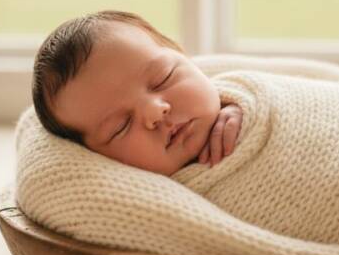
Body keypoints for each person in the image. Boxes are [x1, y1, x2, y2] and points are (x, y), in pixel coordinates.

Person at [32, 10, 243, 176]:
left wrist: (244, 106)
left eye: (163, 78)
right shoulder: (138, 200)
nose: (155, 112)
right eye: (121, 126)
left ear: (181, 53)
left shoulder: (241, 92)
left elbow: (270, 88)